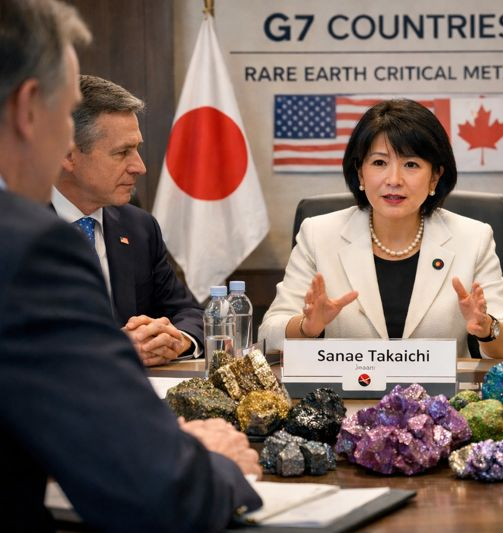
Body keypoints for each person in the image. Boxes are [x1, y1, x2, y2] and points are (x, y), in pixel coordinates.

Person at [0, 0, 262, 529]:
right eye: (63, 106)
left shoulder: (132, 225)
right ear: (31, 108)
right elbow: (155, 490)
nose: (141, 168)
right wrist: (208, 460)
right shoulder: (27, 247)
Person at [259, 99, 503, 358]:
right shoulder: (318, 234)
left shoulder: (473, 238)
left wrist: (487, 328)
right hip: (345, 398)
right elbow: (269, 332)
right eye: (379, 163)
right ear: (361, 173)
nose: (394, 180)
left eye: (411, 164)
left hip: (440, 401)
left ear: (435, 176)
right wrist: (307, 328)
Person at [54, 75, 204, 367]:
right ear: (69, 155)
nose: (140, 167)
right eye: (122, 152)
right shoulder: (15, 229)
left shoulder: (139, 228)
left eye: (137, 149)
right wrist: (112, 348)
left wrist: (175, 339)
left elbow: (190, 313)